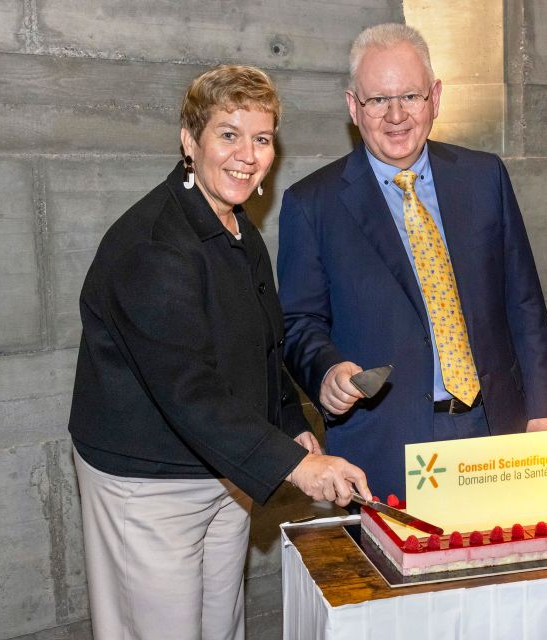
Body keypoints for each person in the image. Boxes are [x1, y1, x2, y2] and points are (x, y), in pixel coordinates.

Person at [68, 65, 370, 640]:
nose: (248, 154)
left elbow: (262, 339)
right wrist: (297, 466)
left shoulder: (232, 222)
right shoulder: (153, 246)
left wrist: (288, 421)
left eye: (261, 138)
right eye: (228, 134)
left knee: (220, 627)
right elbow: (188, 390)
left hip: (225, 469)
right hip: (150, 484)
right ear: (190, 140)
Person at [277, 24, 547, 500]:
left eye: (409, 96)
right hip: (387, 445)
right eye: (377, 100)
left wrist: (544, 410)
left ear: (435, 97)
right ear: (353, 107)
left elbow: (524, 300)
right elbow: (299, 321)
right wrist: (326, 372)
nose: (395, 115)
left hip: (497, 429)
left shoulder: (484, 177)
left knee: (500, 570)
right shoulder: (312, 204)